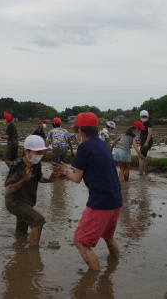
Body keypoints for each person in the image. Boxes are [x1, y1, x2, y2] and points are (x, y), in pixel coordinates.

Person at [54, 112, 122, 271]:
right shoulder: (102, 144)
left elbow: (77, 178)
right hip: (116, 199)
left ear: (82, 132)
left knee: (80, 241)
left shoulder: (84, 146)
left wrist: (64, 171)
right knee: (108, 235)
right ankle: (114, 266)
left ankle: (95, 281)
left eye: (76, 131)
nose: (75, 134)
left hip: (101, 201)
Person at [4, 135, 59, 246]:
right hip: (14, 202)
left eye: (42, 153)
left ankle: (19, 252)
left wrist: (50, 179)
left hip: (27, 201)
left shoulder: (36, 163)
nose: (41, 156)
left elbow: (39, 178)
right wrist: (25, 180)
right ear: (26, 151)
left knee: (21, 233)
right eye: (38, 153)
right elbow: (7, 190)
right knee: (38, 220)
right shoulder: (17, 166)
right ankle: (33, 254)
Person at [138, 110, 153, 175]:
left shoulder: (148, 123)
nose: (144, 117)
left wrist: (146, 142)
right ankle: (145, 170)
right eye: (142, 116)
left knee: (140, 156)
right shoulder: (141, 123)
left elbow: (150, 133)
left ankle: (141, 172)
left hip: (147, 141)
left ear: (147, 116)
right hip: (142, 141)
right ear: (140, 117)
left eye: (145, 116)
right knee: (143, 156)